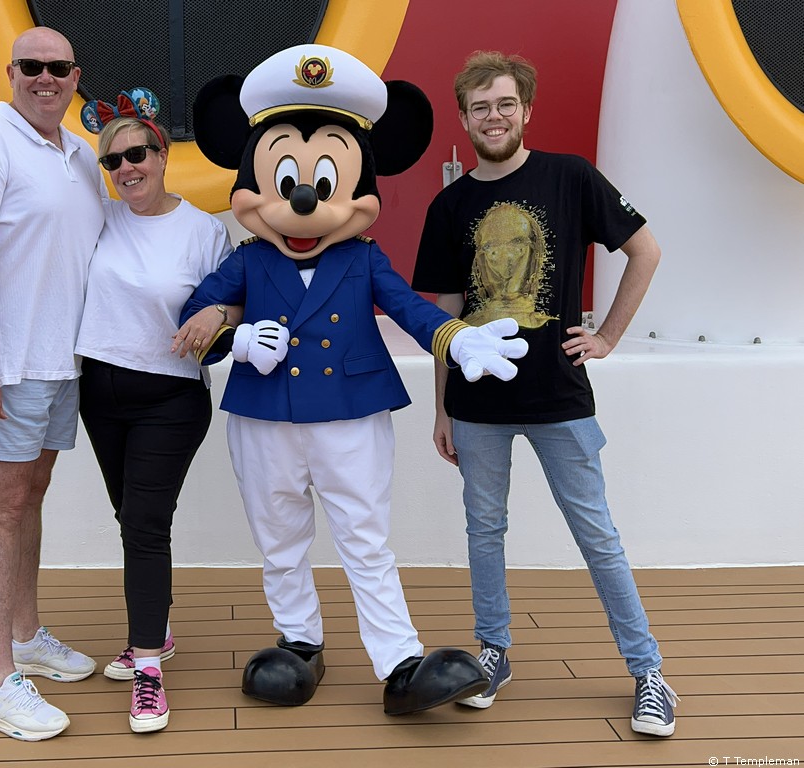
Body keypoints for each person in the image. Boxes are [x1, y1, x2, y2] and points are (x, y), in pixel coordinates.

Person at [182, 44, 528, 716]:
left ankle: (398, 659)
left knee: (364, 541)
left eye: (326, 180)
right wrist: (237, 337)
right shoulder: (248, 260)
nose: (305, 200)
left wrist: (460, 340)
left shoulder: (363, 259)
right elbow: (190, 315)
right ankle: (299, 642)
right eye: (284, 177)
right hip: (266, 414)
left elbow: (411, 308)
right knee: (278, 539)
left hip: (349, 413)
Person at [411, 50, 677, 737]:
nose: (492, 116)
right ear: (463, 116)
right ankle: (493, 652)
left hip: (559, 396)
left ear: (525, 109)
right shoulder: (450, 203)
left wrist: (607, 335)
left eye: (504, 103)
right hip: (475, 407)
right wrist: (441, 405)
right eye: (479, 106)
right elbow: (444, 309)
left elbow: (643, 249)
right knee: (483, 532)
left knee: (596, 535)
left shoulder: (570, 177)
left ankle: (648, 672)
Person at [0, 27, 105, 741]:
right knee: (0, 509)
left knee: (31, 495)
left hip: (58, 363)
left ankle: (28, 635)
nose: (45, 78)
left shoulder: (78, 152)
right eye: (31, 67)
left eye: (57, 68)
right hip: (6, 370)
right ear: (10, 73)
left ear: (75, 77)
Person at [74, 91, 236, 734]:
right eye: (113, 161)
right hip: (100, 391)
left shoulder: (204, 229)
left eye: (136, 154)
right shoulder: (98, 220)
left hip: (170, 397)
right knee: (129, 516)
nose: (125, 169)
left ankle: (147, 669)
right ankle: (157, 627)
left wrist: (218, 313)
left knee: (144, 524)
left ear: (163, 155)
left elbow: (238, 301)